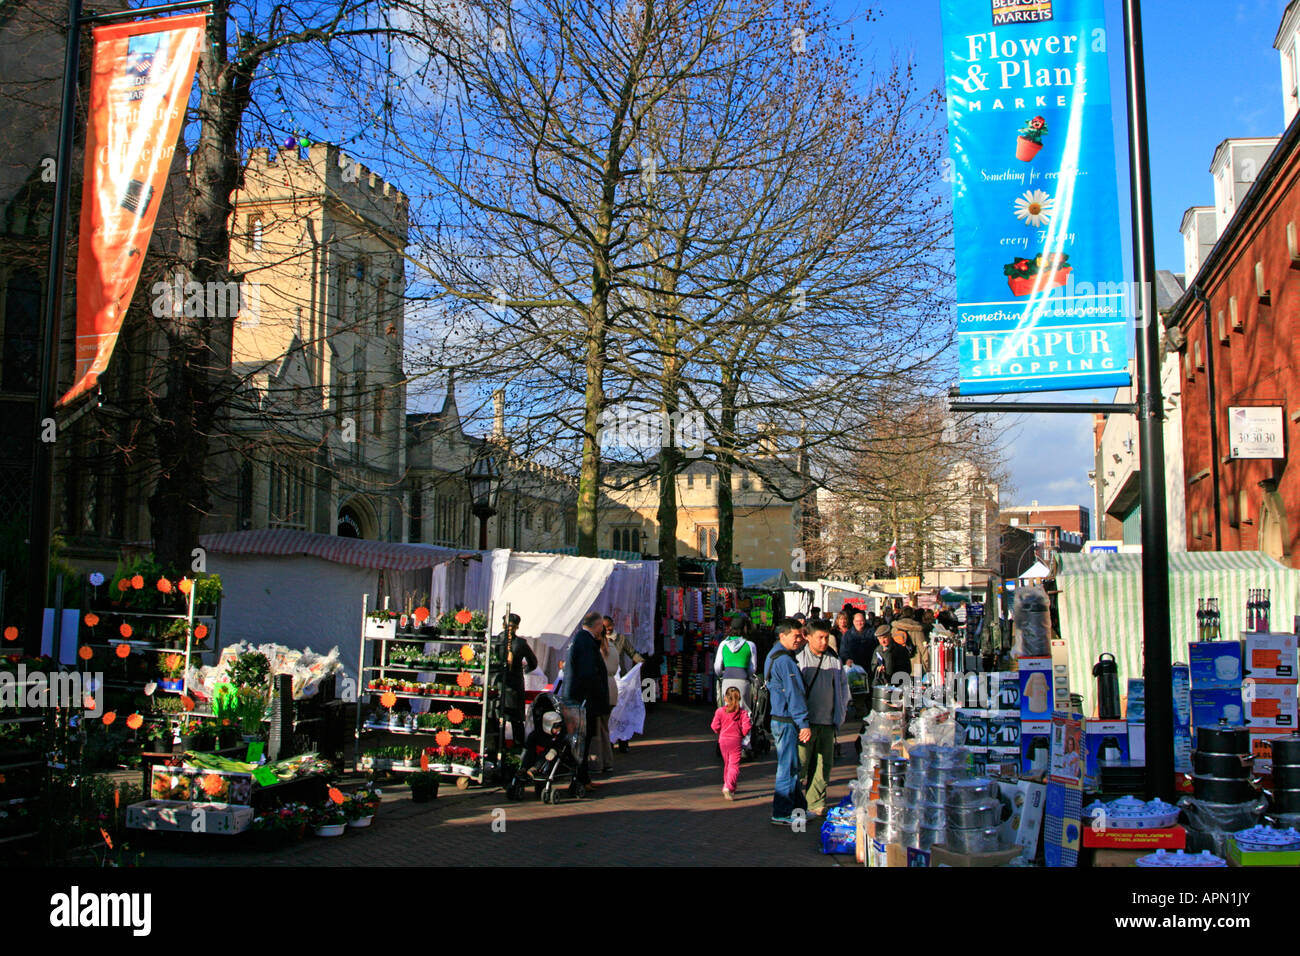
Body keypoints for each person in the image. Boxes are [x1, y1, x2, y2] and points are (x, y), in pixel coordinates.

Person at [796, 618, 848, 817]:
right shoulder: (799, 658)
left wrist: (840, 712)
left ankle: (816, 803)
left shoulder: (834, 659)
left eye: (827, 637)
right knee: (801, 765)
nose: (824, 642)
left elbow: (843, 686)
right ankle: (794, 802)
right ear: (807, 637)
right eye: (820, 638)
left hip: (827, 721)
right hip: (806, 724)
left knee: (823, 766)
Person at [764, 618, 811, 825]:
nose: (799, 640)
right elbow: (794, 694)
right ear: (782, 635)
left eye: (801, 635)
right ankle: (781, 812)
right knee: (787, 766)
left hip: (781, 718)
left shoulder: (775, 655)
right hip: (786, 720)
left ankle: (798, 809)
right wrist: (803, 723)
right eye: (796, 635)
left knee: (792, 765)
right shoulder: (785, 661)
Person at [559, 611, 609, 788]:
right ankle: (579, 778)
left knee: (582, 740)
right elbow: (589, 673)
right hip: (581, 701)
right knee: (582, 741)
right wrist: (594, 695)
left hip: (575, 698)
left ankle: (583, 777)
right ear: (597, 626)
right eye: (601, 627)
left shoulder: (578, 639)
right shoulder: (586, 642)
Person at [603, 615, 646, 753]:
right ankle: (609, 741)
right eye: (604, 627)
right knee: (610, 713)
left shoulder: (621, 639)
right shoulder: (599, 641)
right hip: (607, 681)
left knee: (623, 713)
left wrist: (640, 661)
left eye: (609, 626)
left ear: (613, 625)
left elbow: (632, 652)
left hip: (621, 682)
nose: (607, 630)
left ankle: (623, 740)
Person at [499, 613, 537, 753]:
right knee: (505, 720)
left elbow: (533, 663)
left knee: (513, 720)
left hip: (511, 685)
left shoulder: (520, 644)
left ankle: (515, 749)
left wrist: (521, 670)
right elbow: (533, 663)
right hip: (505, 684)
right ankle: (507, 748)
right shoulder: (497, 641)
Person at [711, 686, 752, 800]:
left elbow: (714, 726)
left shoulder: (720, 711)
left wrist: (720, 731)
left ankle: (729, 785)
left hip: (723, 740)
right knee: (734, 765)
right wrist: (742, 733)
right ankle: (728, 786)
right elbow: (747, 726)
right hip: (735, 740)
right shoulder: (742, 713)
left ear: (725, 698)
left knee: (727, 763)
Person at [592, 621, 620, 774]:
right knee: (604, 728)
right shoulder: (613, 647)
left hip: (601, 689)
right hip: (611, 688)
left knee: (597, 729)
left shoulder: (598, 649)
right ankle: (607, 761)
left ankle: (599, 762)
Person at [713, 615, 758, 711]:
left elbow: (717, 667)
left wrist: (722, 674)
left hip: (727, 680)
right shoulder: (750, 645)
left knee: (727, 709)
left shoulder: (723, 644)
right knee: (745, 711)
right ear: (744, 628)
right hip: (743, 680)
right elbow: (753, 668)